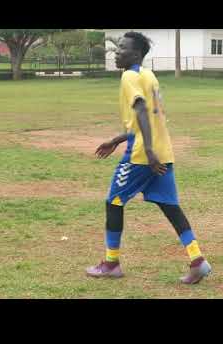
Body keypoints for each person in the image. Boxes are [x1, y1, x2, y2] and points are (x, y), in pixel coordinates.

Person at [86, 31, 211, 284]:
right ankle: (198, 261)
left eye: (123, 48)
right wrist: (117, 139)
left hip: (143, 155)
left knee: (114, 202)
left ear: (136, 54)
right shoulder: (148, 75)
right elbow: (147, 118)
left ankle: (111, 263)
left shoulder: (129, 76)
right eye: (118, 47)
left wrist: (148, 151)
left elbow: (141, 110)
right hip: (163, 151)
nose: (117, 52)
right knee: (170, 206)